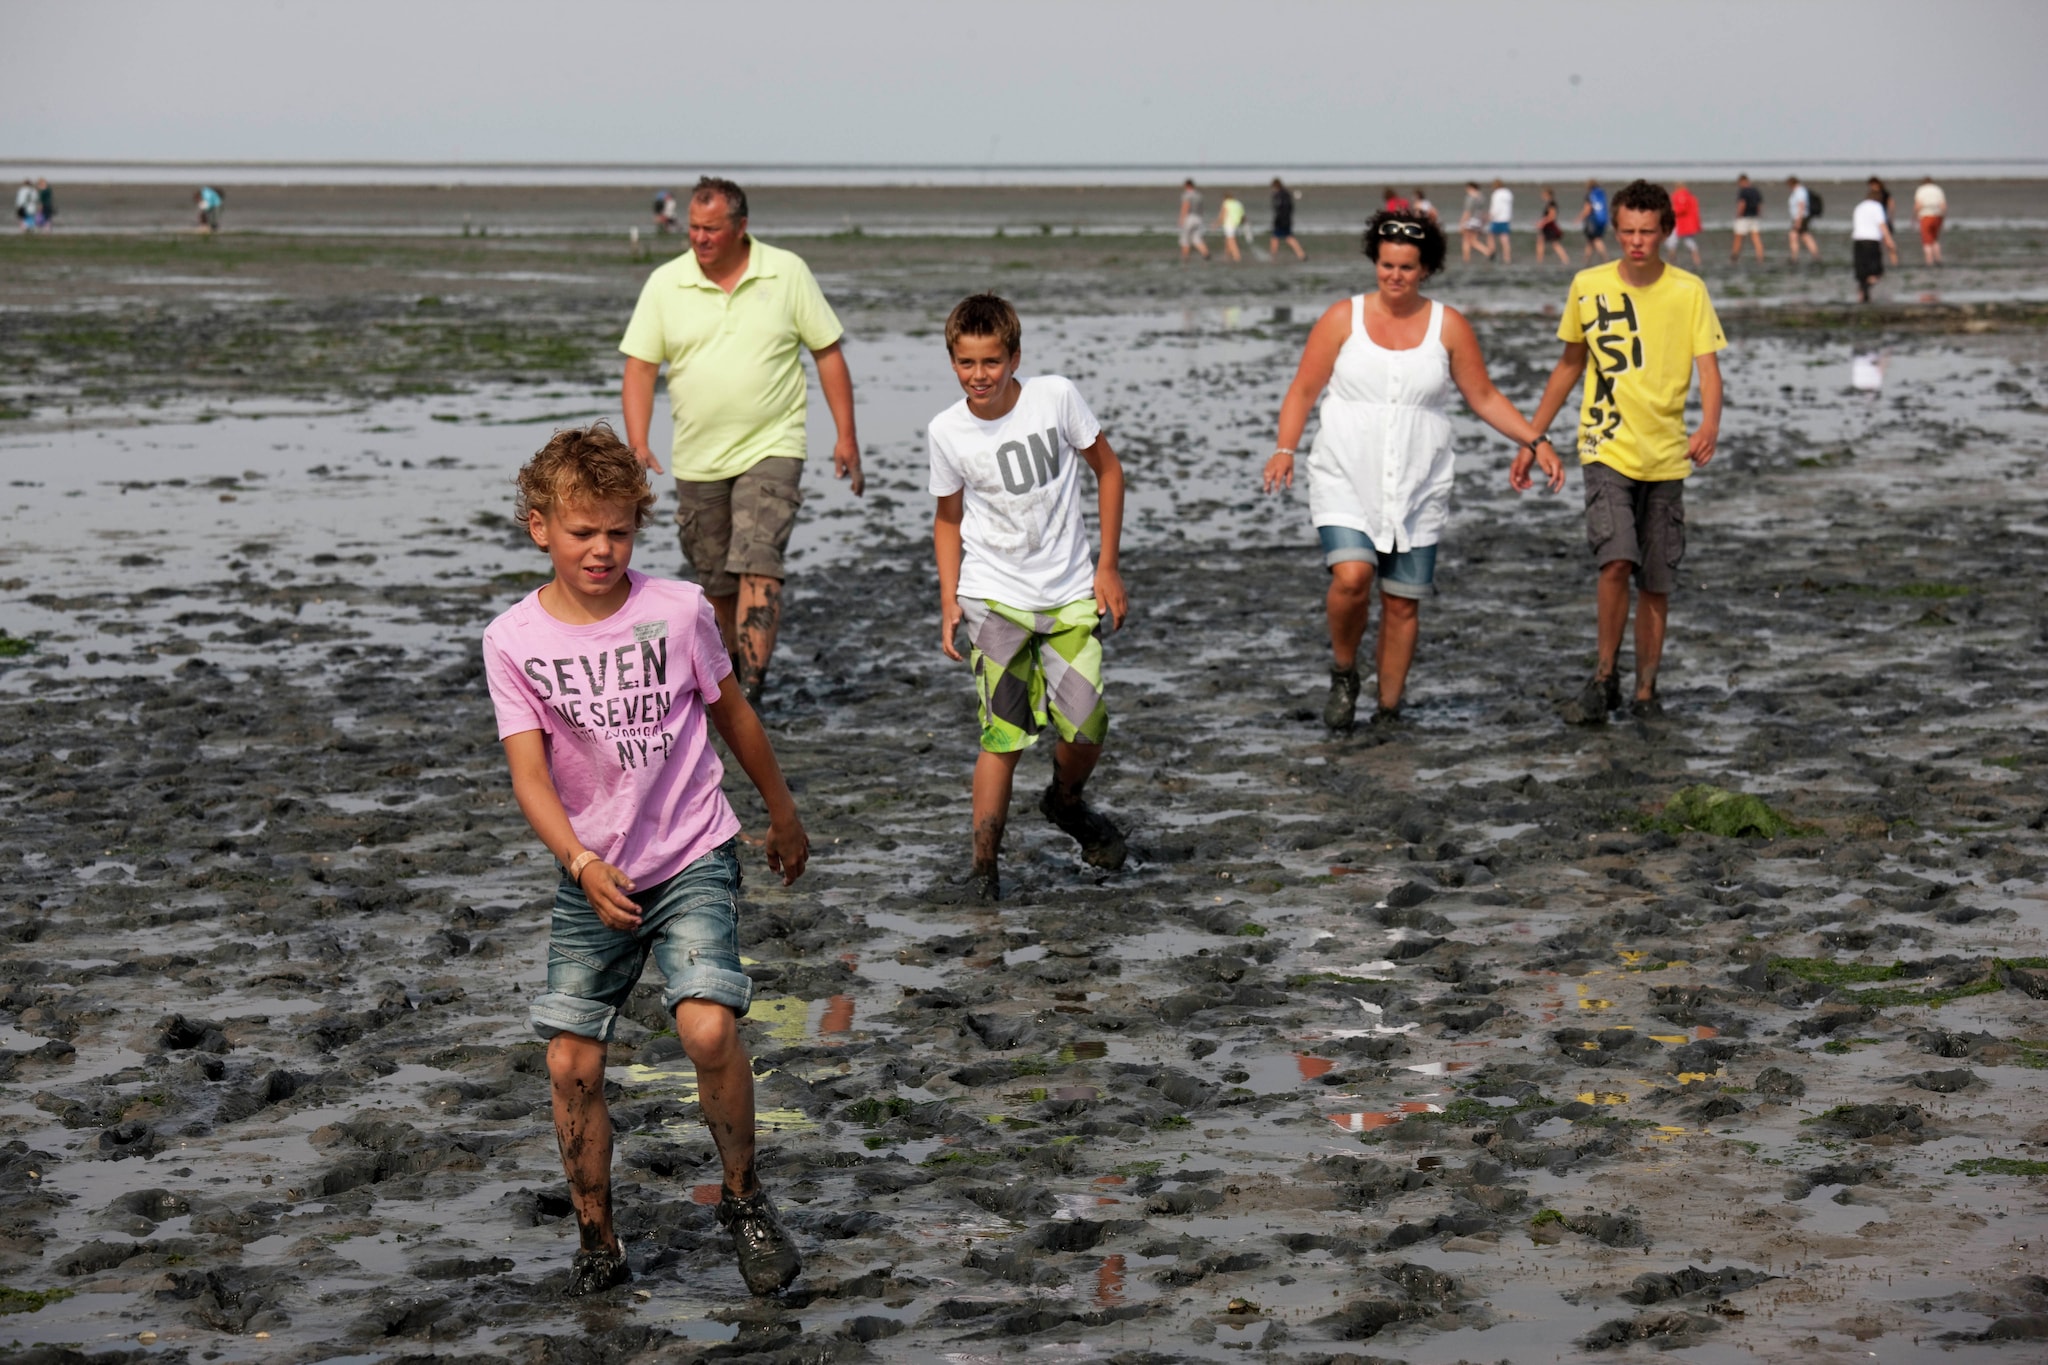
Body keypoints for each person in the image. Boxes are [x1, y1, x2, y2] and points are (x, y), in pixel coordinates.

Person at [482, 423, 810, 1299]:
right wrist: (581, 862)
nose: (601, 549)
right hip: (592, 872)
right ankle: (597, 1236)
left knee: (706, 1026)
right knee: (570, 1061)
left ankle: (743, 1195)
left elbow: (733, 714)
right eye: (582, 531)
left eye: (619, 531)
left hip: (693, 850)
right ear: (538, 526)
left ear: (639, 526)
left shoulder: (678, 610)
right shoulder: (513, 639)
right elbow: (528, 774)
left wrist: (781, 811)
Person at [1262, 210, 1562, 733]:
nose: (1394, 276)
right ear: (1374, 262)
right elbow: (1303, 391)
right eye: (1385, 265)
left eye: (1405, 267)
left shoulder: (1449, 327)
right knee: (1352, 577)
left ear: (1426, 269)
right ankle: (1343, 671)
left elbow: (1484, 396)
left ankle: (1388, 711)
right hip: (1344, 474)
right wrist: (1285, 449)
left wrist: (1534, 439)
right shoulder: (1342, 319)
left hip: (1418, 482)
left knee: (1402, 605)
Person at [619, 176, 862, 705]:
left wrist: (846, 436)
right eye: (693, 228)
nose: (700, 239)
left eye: (712, 229)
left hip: (773, 444)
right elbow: (640, 367)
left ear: (741, 227)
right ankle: (729, 684)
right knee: (716, 579)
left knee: (759, 559)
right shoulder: (666, 283)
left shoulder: (787, 272)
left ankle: (753, 685)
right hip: (698, 457)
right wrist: (637, 441)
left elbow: (828, 352)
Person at [928, 293, 1128, 902]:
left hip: (1069, 593)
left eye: (991, 361)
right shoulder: (947, 431)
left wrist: (1108, 566)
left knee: (1086, 723)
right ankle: (984, 870)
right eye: (966, 363)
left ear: (1015, 356)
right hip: (993, 598)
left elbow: (1109, 471)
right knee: (1003, 736)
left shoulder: (1056, 397)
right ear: (953, 361)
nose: (979, 375)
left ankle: (1065, 802)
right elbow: (947, 519)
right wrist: (948, 597)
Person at [1517, 180, 1725, 722]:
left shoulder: (1689, 291)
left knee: (1656, 580)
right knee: (1615, 561)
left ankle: (1645, 692)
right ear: (1616, 230)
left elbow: (1709, 368)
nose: (1637, 242)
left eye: (1647, 233)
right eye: (1628, 232)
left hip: (1667, 455)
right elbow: (1569, 365)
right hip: (1605, 445)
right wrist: (1532, 436)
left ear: (1665, 232)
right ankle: (1604, 677)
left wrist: (1710, 424)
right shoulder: (1588, 285)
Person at [1850, 181, 1896, 303]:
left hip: (1858, 240)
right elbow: (1882, 225)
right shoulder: (1877, 207)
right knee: (1876, 271)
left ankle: (1863, 292)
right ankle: (1866, 289)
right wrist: (1889, 240)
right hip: (1872, 240)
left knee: (1862, 271)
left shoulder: (1859, 207)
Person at [1666, 181, 1702, 266]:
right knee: (1689, 242)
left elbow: (1681, 209)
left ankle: (1672, 262)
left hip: (1681, 223)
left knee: (1672, 242)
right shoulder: (1689, 196)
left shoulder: (1681, 196)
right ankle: (1697, 261)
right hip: (1686, 224)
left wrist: (1670, 212)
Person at [1269, 178, 1305, 260]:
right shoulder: (1287, 194)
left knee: (1275, 238)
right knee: (1289, 238)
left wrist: (1277, 220)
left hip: (1281, 220)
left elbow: (1279, 209)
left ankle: (1272, 256)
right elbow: (1291, 208)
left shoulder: (1278, 196)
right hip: (1287, 220)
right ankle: (1301, 254)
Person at [1729, 173, 1763, 262]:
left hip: (1744, 217)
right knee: (1756, 239)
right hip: (1754, 217)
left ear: (1742, 181)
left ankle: (1734, 257)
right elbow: (1759, 205)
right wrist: (1758, 214)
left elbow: (1742, 204)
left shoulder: (1743, 191)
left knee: (1738, 238)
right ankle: (1760, 258)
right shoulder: (1755, 191)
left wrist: (1738, 215)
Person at [1914, 176, 1947, 266]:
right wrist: (1943, 218)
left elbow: (1918, 205)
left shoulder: (1921, 190)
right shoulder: (1938, 189)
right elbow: (1943, 206)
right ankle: (1938, 259)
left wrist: (1914, 217)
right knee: (1935, 239)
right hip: (1937, 215)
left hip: (1925, 216)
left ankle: (1929, 261)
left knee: (1926, 241)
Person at [1458, 182, 1494, 262]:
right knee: (1469, 240)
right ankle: (1466, 258)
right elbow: (1483, 211)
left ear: (1471, 188)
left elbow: (1467, 211)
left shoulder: (1470, 197)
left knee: (1470, 240)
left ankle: (1487, 251)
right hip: (1478, 220)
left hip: (1470, 221)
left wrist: (1461, 223)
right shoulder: (1481, 197)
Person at [1785, 176, 1819, 262]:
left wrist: (1798, 221)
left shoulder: (1799, 191)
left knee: (1793, 236)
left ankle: (1794, 257)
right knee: (1805, 236)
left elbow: (1801, 205)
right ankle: (1816, 256)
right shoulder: (1799, 191)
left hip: (1801, 217)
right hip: (1800, 217)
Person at [1534, 188, 1570, 266]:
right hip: (1547, 226)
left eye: (1543, 194)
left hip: (1550, 227)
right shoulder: (1549, 204)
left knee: (1555, 244)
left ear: (1547, 195)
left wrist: (1542, 223)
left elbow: (1552, 216)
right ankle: (1539, 260)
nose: (1542, 196)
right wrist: (1541, 222)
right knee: (1541, 242)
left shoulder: (1552, 204)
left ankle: (1565, 260)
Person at [1577, 179, 1610, 261]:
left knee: (1596, 239)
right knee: (1590, 241)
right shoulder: (1600, 194)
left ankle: (1605, 258)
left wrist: (1579, 218)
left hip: (1593, 221)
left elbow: (1587, 209)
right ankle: (1586, 259)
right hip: (1602, 221)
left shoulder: (1589, 195)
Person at [1178, 178, 1209, 263]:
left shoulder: (1187, 195)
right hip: (1198, 218)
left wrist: (1181, 218)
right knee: (1196, 238)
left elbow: (1185, 206)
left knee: (1185, 239)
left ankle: (1185, 258)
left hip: (1189, 217)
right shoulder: (1199, 195)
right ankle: (1206, 254)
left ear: (1187, 185)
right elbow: (1201, 208)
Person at [1487, 179, 1514, 264]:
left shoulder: (1496, 194)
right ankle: (1507, 258)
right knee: (1505, 239)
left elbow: (1495, 207)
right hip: (1506, 218)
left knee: (1491, 236)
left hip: (1497, 218)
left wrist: (1490, 216)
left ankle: (1492, 252)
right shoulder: (1508, 193)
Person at [1216, 191, 1247, 263]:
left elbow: (1222, 215)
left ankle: (1237, 257)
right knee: (1228, 240)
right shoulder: (1238, 203)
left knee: (1231, 241)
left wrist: (1216, 224)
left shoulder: (1226, 203)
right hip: (1236, 224)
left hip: (1229, 224)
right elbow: (1243, 215)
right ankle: (1227, 256)